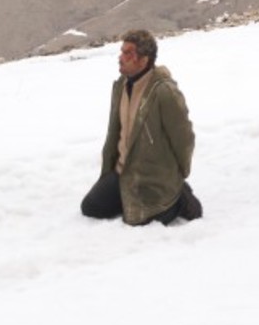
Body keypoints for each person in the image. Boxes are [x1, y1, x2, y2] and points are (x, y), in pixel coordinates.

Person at [81, 29, 203, 226]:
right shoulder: (121, 85)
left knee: (139, 221)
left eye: (128, 53)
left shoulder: (164, 93)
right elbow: (115, 132)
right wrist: (108, 170)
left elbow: (184, 138)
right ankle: (131, 196)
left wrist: (178, 174)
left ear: (144, 60)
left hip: (152, 178)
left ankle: (179, 196)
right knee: (91, 207)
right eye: (121, 52)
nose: (120, 58)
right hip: (123, 173)